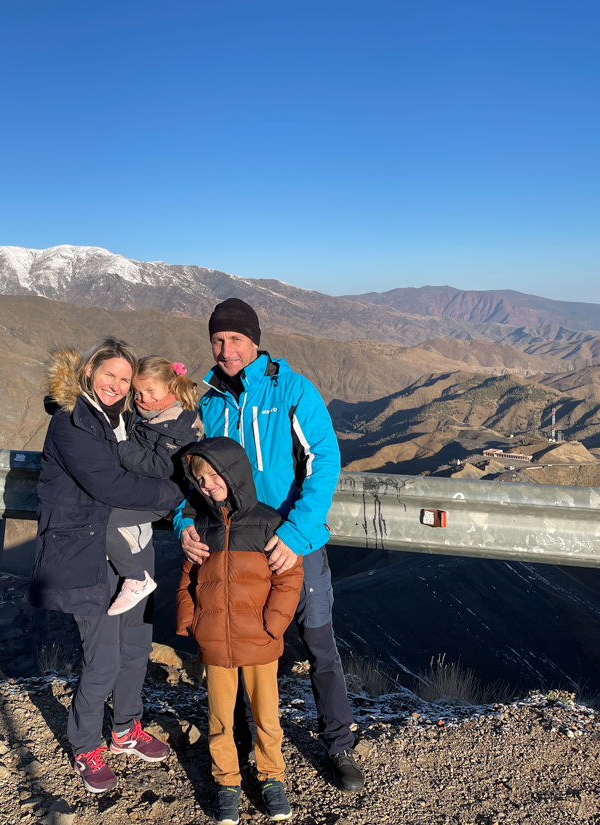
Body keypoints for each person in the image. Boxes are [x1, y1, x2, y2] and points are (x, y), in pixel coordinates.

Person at [173, 298, 365, 793]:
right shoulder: (211, 400)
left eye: (235, 339)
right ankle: (240, 747)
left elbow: (324, 458)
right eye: (217, 340)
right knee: (239, 646)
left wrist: (297, 533)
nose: (226, 349)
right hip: (232, 544)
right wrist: (182, 519)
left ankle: (338, 744)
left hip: (291, 542)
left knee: (318, 641)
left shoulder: (293, 389)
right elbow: (196, 477)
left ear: (254, 341)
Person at [30, 337, 186, 794]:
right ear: (88, 373)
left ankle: (125, 730)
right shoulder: (71, 423)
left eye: (125, 378)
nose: (118, 385)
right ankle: (83, 747)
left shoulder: (118, 421)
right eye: (109, 375)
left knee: (137, 648)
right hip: (87, 555)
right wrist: (177, 496)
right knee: (103, 660)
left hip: (130, 549)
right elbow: (112, 486)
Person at [176, 437, 303, 823]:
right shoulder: (200, 526)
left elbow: (289, 576)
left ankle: (271, 777)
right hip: (215, 641)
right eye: (201, 479)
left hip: (260, 642)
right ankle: (227, 782)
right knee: (219, 719)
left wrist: (273, 625)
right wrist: (191, 622)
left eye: (215, 475)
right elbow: (187, 580)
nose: (209, 484)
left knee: (266, 716)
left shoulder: (267, 522)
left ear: (235, 474)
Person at [106, 356, 203, 616]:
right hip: (148, 489)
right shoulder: (150, 415)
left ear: (171, 389)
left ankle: (135, 577)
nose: (143, 398)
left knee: (100, 520)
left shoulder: (178, 424)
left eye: (150, 391)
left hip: (165, 494)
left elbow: (161, 466)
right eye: (138, 392)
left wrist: (120, 450)